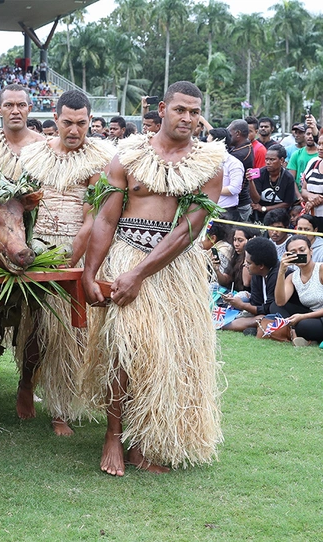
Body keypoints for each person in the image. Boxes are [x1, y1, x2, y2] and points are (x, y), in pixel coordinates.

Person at [82, 81, 225, 475]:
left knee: (165, 356)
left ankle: (143, 442)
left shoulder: (210, 164)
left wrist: (139, 274)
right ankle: (113, 435)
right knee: (124, 348)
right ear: (162, 109)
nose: (189, 118)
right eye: (181, 110)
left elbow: (187, 231)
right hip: (125, 253)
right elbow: (106, 218)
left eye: (195, 112)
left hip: (174, 271)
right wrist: (90, 272)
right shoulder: (126, 156)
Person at [17, 89, 115, 434]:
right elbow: (22, 202)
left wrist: (73, 259)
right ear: (55, 119)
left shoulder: (98, 160)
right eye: (68, 123)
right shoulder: (34, 155)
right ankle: (26, 382)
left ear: (90, 122)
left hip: (76, 252)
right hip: (34, 249)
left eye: (82, 123)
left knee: (69, 334)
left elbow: (93, 217)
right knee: (35, 330)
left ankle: (60, 409)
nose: (75, 130)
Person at [0, 83, 44, 181]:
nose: (15, 111)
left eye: (21, 105)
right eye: (9, 105)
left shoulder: (42, 145)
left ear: (29, 109)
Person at [221, 236, 281, 332]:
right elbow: (256, 303)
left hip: (279, 314)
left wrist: (242, 305)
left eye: (248, 262)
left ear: (261, 265)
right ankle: (223, 324)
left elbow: (269, 309)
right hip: (263, 314)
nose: (245, 265)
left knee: (262, 318)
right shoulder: (257, 274)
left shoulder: (277, 275)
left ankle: (222, 325)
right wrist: (234, 300)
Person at [274, 235, 323, 345]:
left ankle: (296, 333)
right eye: (293, 252)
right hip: (313, 315)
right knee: (274, 306)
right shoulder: (292, 277)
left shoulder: (321, 269)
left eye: (302, 250)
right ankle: (296, 333)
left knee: (303, 326)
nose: (299, 254)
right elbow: (280, 301)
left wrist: (303, 317)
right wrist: (281, 271)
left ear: (311, 251)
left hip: (316, 317)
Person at [248, 144, 297, 222]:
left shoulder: (288, 178)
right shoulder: (260, 173)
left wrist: (264, 208)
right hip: (259, 218)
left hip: (280, 218)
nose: (268, 162)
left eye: (272, 159)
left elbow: (287, 203)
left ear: (281, 160)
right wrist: (250, 181)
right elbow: (256, 200)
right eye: (266, 159)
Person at [207, 128, 243, 221]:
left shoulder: (234, 163)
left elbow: (234, 189)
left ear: (218, 143)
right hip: (207, 210)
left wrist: (211, 191)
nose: (206, 146)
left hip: (226, 212)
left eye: (208, 143)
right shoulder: (206, 162)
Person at [212, 226, 255, 292]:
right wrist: (217, 270)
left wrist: (249, 250)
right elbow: (225, 280)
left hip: (247, 296)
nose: (236, 244)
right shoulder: (235, 256)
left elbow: (246, 282)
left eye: (240, 240)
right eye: (234, 240)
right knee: (213, 287)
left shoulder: (253, 257)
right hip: (233, 294)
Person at [227, 119, 254, 221]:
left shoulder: (239, 155)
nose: (228, 137)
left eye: (230, 133)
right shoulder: (242, 147)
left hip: (239, 205)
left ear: (237, 134)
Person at [300, 132, 323, 216]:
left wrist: (315, 201)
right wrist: (310, 196)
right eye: (319, 144)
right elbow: (303, 190)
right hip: (311, 217)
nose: (320, 148)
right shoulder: (313, 163)